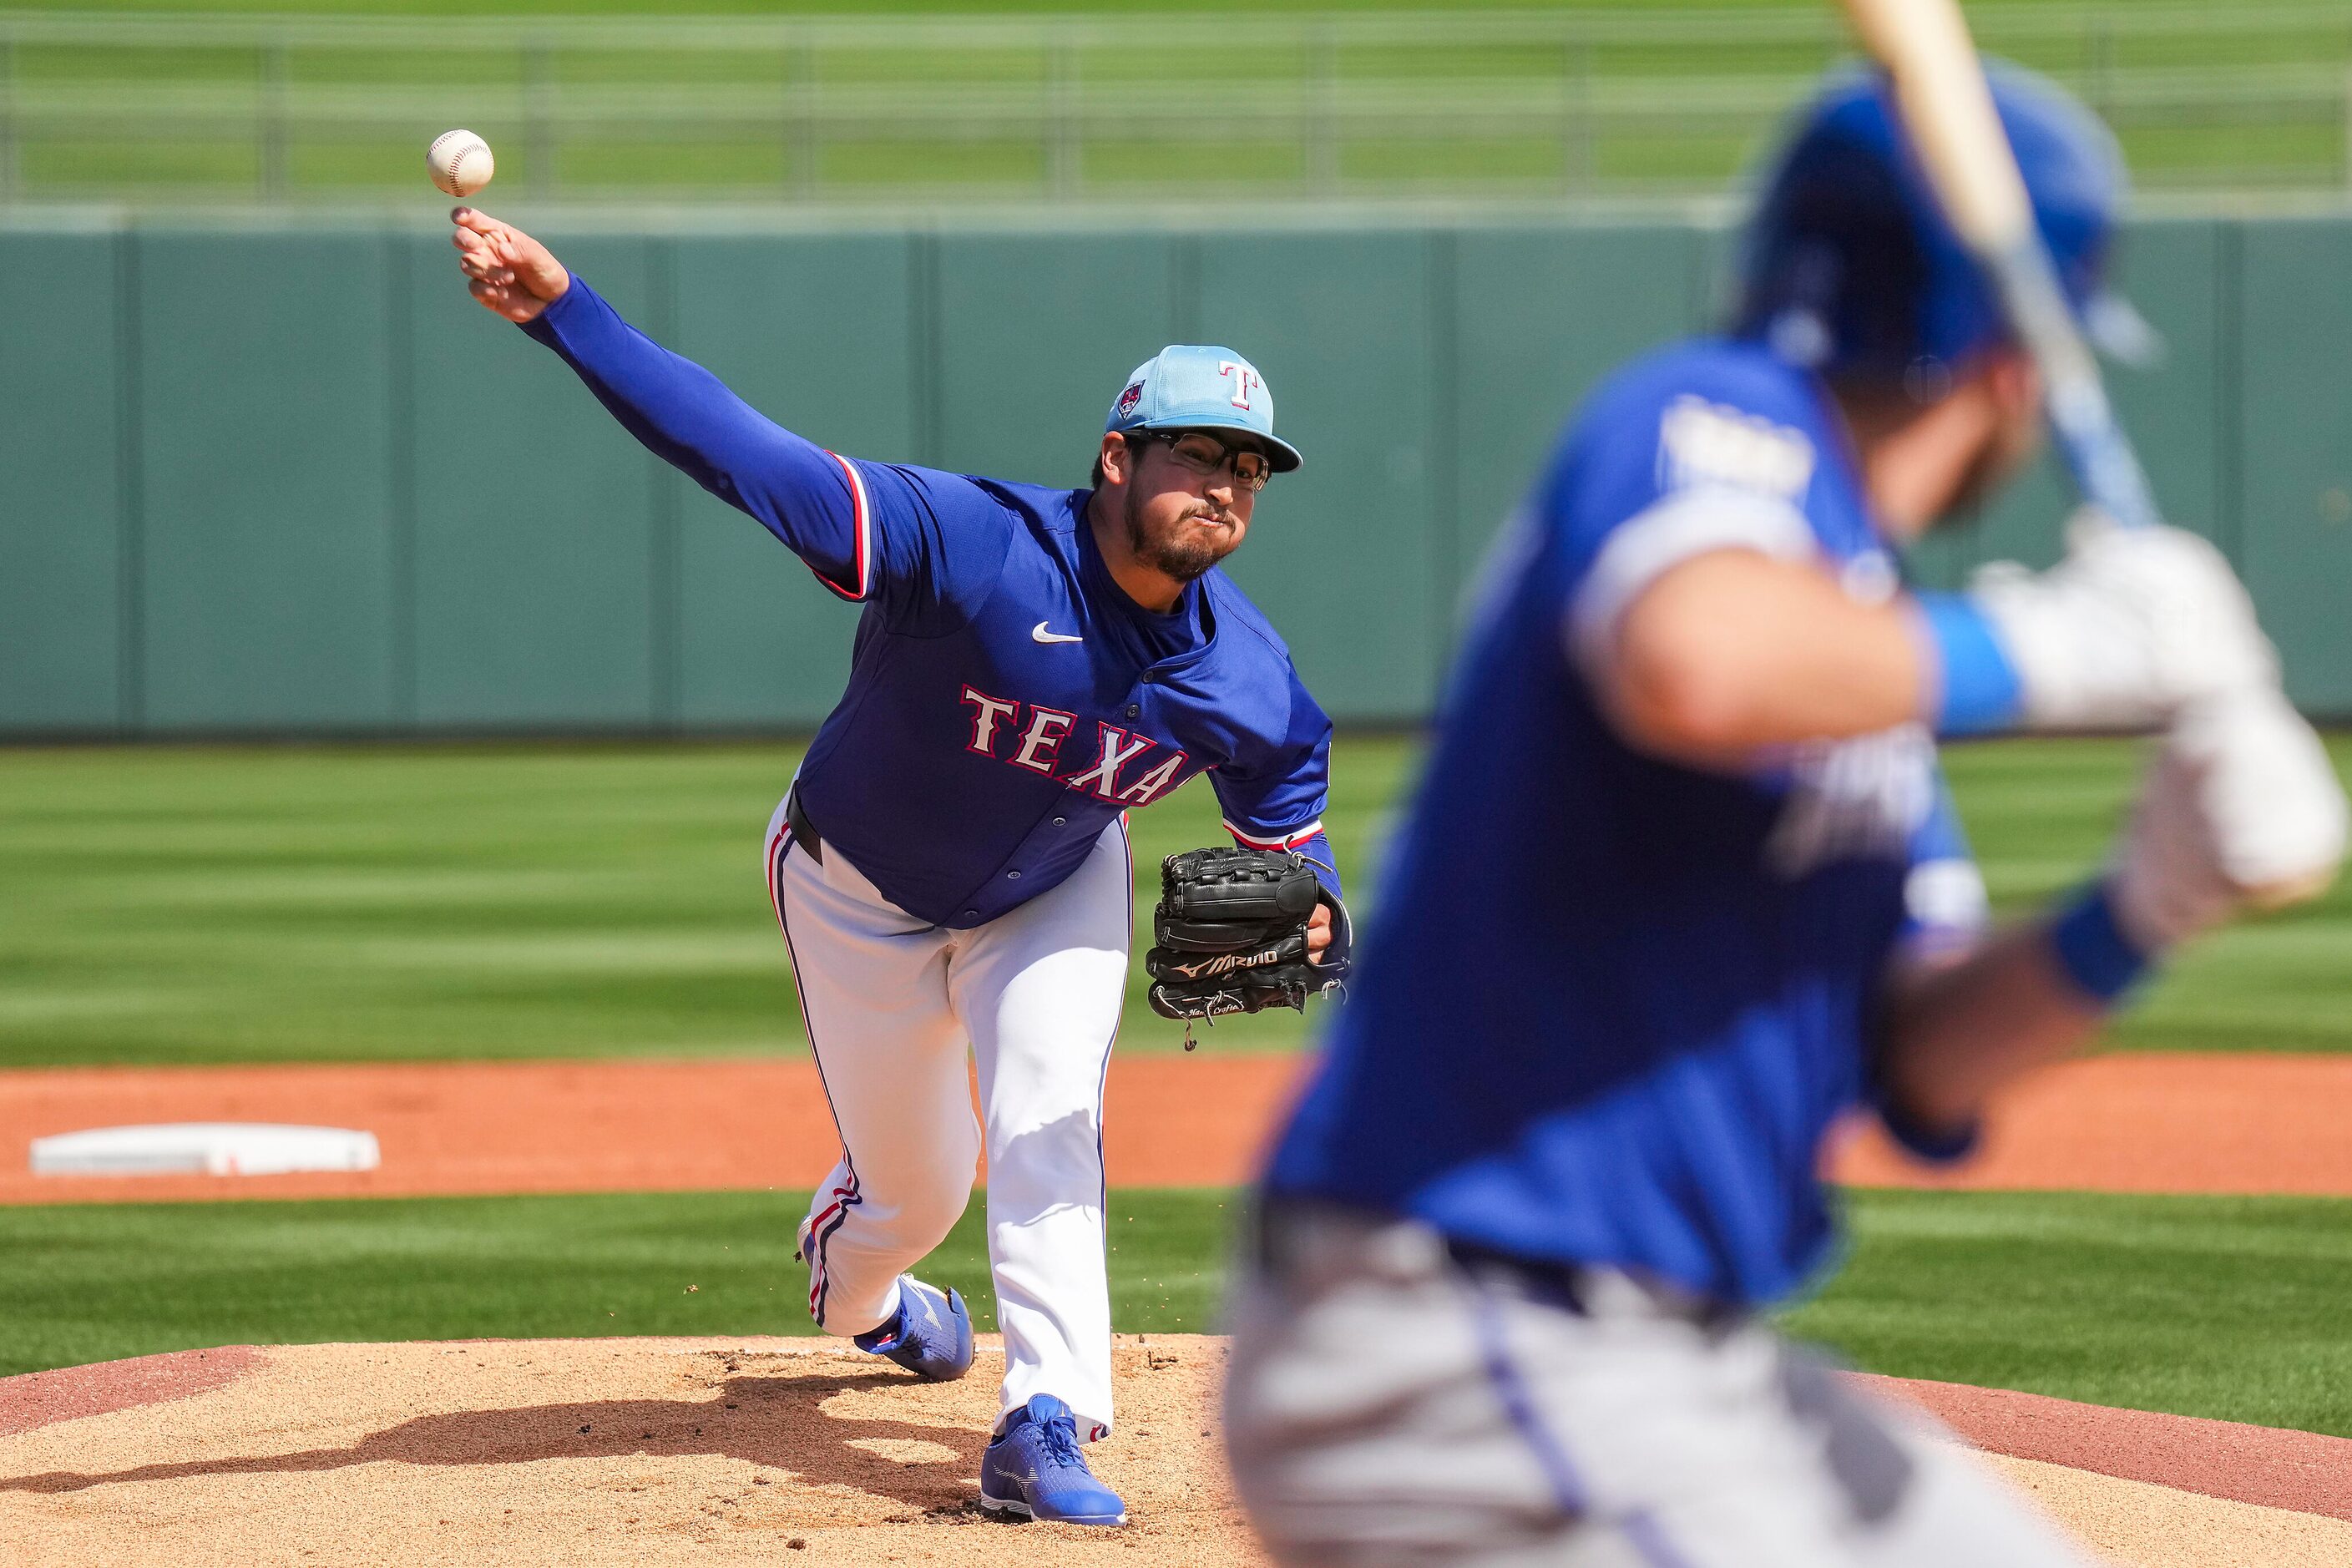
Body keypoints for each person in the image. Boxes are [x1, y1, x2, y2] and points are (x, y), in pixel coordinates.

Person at [1224, 65, 2346, 1567]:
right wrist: (2065, 649)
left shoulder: (1852, 626)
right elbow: (1694, 658)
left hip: (1668, 1358)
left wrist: (2143, 904)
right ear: (2010, 364)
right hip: (1463, 1338)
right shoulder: (1708, 415)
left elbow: (1914, 1050)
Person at [447, 208, 1344, 1528]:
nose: (1224, 483)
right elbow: (745, 455)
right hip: (849, 883)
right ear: (1115, 456)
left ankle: (1045, 1418)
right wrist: (563, 310)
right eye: (1198, 453)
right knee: (915, 1190)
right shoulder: (975, 545)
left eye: (1250, 469)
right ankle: (868, 1294)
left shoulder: (1251, 686)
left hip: (1052, 888)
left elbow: (1296, 859)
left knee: (1049, 1112)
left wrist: (1320, 916)